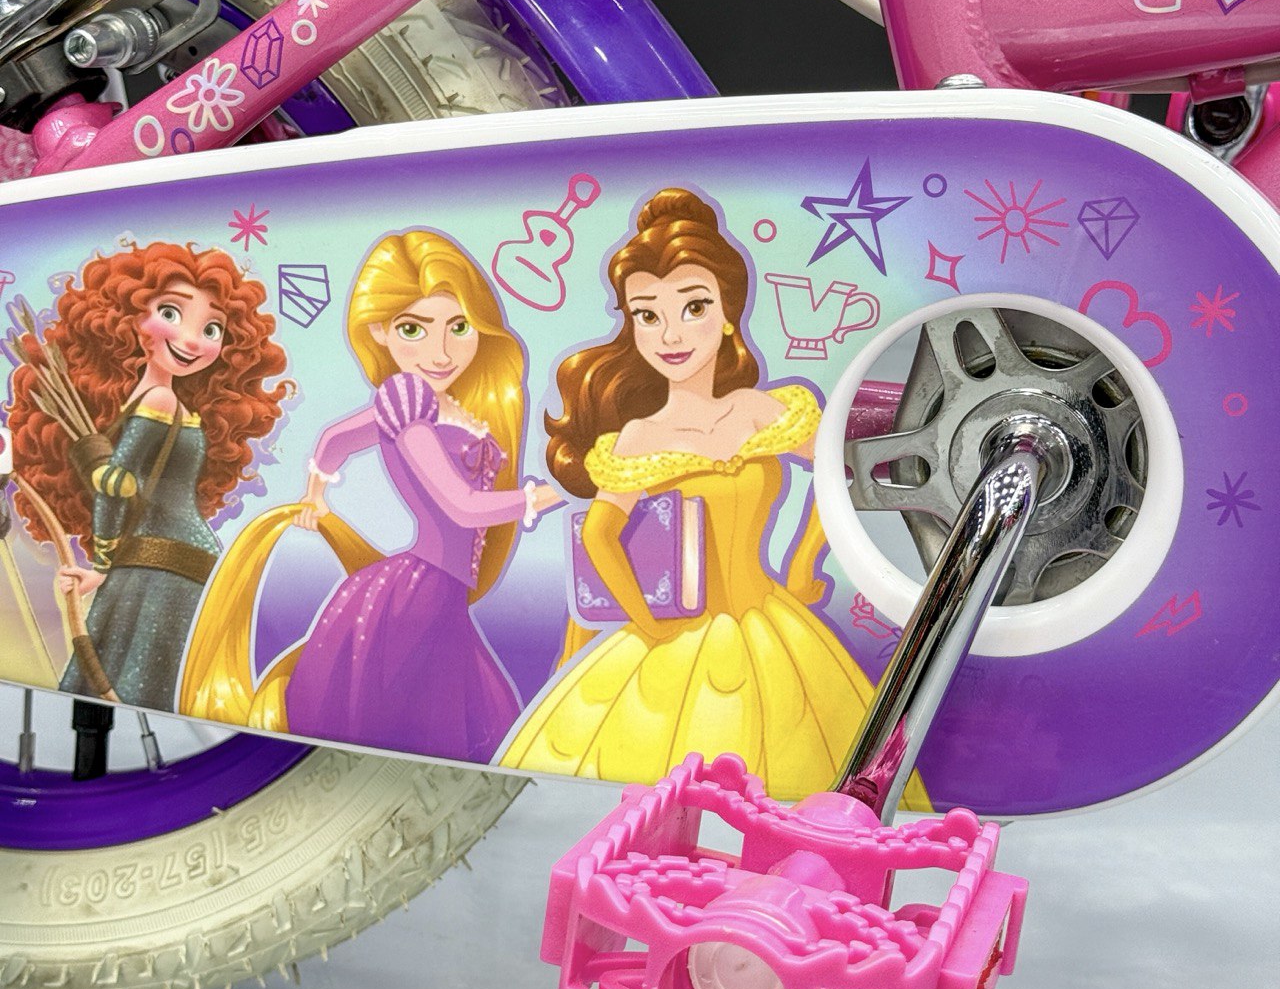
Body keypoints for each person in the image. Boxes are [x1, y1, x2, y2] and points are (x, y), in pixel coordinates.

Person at [501, 188, 927, 805]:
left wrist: (804, 561)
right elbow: (599, 533)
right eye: (647, 315)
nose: (670, 333)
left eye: (693, 306)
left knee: (808, 774)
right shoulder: (640, 437)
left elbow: (838, 470)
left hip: (772, 627)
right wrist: (646, 621)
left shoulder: (758, 410)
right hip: (674, 637)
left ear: (728, 312)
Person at [181, 230, 560, 762]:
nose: (440, 352)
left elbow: (335, 441)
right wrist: (532, 499)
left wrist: (317, 491)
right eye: (413, 329)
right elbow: (460, 505)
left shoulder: (453, 406)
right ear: (379, 330)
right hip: (418, 594)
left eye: (458, 327)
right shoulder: (408, 405)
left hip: (442, 595)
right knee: (420, 726)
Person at [7, 241, 290, 710]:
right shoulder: (154, 401)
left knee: (125, 685)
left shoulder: (159, 401)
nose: (192, 340)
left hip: (161, 568)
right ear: (126, 320)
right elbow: (120, 487)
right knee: (141, 688)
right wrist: (104, 569)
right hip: (165, 566)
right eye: (171, 313)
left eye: (212, 328)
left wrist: (102, 563)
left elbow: (116, 486)